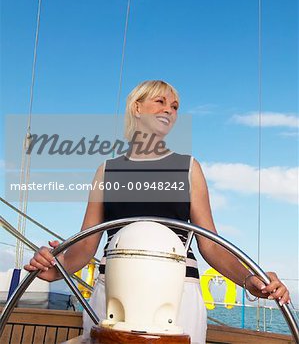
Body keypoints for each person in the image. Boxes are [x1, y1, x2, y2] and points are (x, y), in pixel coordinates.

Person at [24, 80, 291, 344]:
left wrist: (250, 280)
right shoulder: (106, 170)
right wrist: (56, 270)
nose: (169, 111)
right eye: (160, 102)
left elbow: (210, 245)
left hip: (177, 292)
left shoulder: (189, 168)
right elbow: (85, 245)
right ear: (137, 108)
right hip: (113, 289)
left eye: (175, 106)